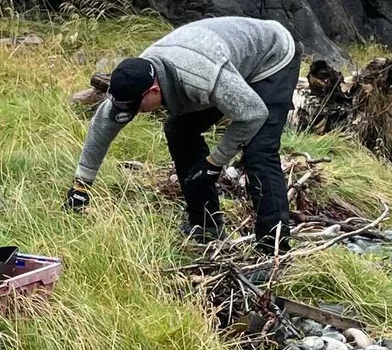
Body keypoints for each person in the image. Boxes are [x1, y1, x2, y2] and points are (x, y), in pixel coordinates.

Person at [66, 17, 300, 251]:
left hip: (272, 56)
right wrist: (81, 185)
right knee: (179, 130)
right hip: (225, 64)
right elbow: (103, 126)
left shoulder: (202, 77)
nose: (133, 113)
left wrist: (214, 162)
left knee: (259, 152)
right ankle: (206, 226)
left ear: (154, 91)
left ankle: (274, 252)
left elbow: (252, 114)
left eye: (136, 107)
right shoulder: (134, 78)